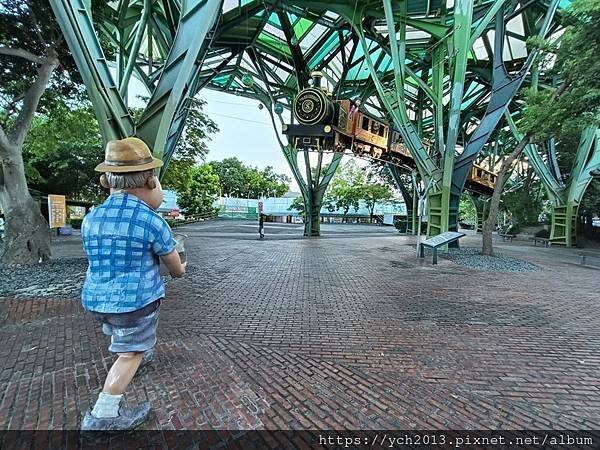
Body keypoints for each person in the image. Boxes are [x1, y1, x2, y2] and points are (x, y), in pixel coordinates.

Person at [80, 137, 186, 431]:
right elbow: (175, 267)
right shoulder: (150, 220)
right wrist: (182, 267)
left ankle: (137, 349)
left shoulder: (92, 218)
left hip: (96, 299)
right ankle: (104, 414)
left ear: (107, 181)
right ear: (151, 182)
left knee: (122, 330)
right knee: (129, 354)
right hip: (135, 302)